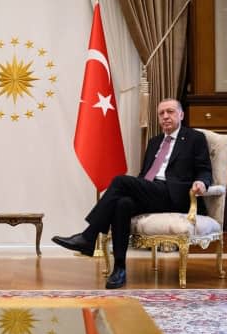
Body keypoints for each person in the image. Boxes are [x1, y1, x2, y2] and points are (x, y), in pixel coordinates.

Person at [52, 99, 212, 289]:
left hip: (175, 195)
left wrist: (202, 182)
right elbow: (144, 175)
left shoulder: (195, 138)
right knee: (122, 204)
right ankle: (119, 269)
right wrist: (138, 187)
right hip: (152, 191)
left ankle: (89, 235)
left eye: (170, 112)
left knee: (120, 181)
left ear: (181, 115)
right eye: (161, 113)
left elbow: (205, 169)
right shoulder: (154, 142)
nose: (165, 117)